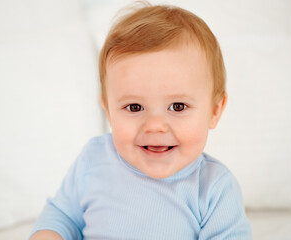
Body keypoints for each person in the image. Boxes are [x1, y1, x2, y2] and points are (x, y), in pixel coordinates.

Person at [29, 3, 252, 240]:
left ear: (214, 111)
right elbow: (62, 215)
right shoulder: (94, 159)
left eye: (178, 106)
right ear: (108, 110)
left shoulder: (214, 189)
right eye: (134, 107)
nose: (155, 125)